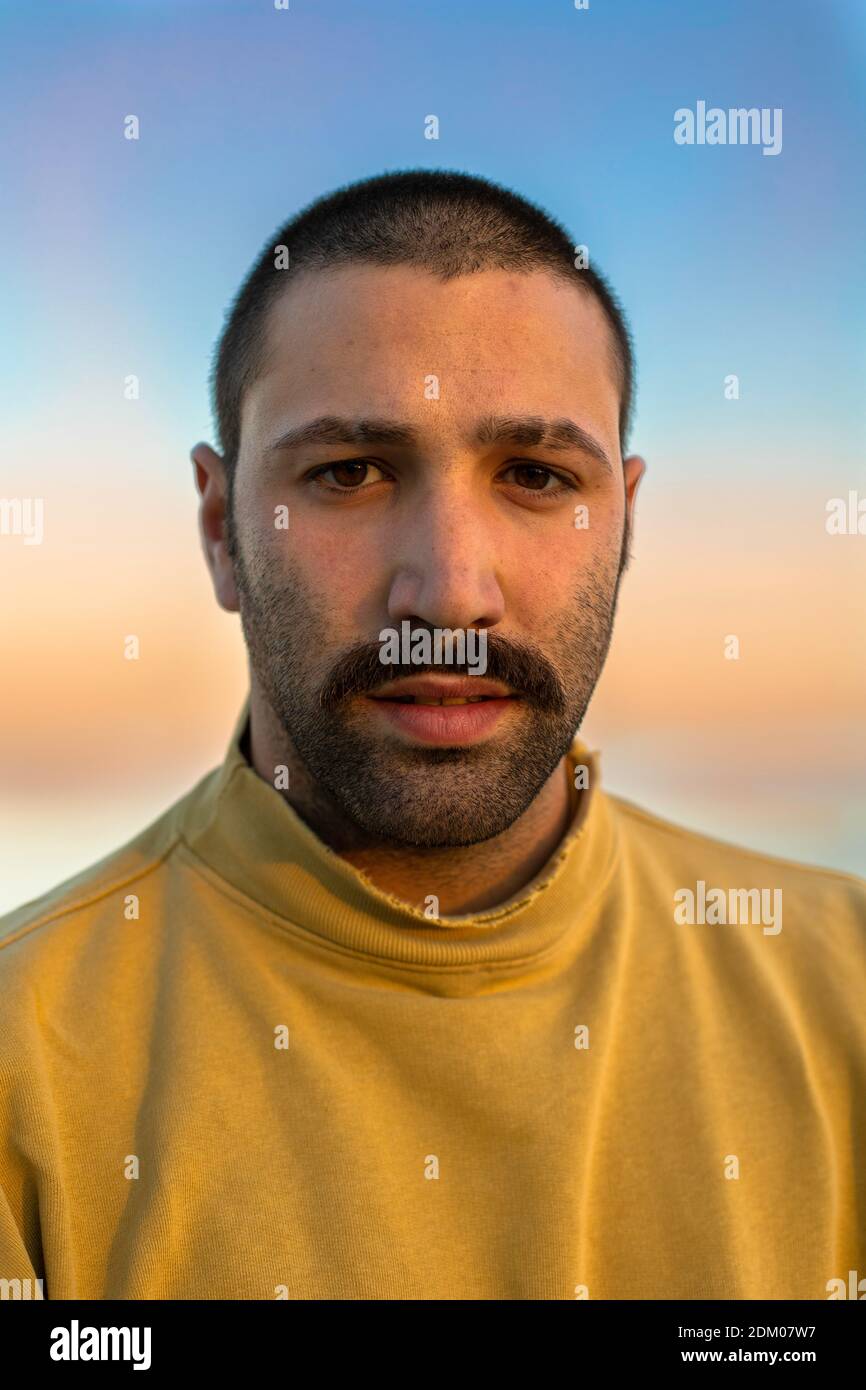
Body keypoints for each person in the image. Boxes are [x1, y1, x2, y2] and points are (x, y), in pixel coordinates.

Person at [1, 170, 863, 1301]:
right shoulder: (25, 1062)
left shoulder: (841, 986)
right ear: (221, 530)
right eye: (349, 473)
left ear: (624, 526)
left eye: (534, 476)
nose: (449, 594)